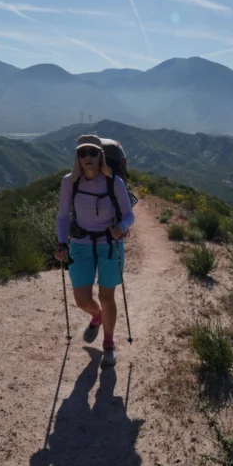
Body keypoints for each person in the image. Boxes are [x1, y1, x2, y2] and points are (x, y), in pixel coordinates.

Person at [54, 134, 135, 367]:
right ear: (77, 157)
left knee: (106, 296)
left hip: (109, 244)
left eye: (92, 152)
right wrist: (61, 243)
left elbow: (130, 215)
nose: (87, 157)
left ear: (101, 156)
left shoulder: (114, 183)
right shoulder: (69, 182)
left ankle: (109, 343)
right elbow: (62, 216)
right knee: (81, 300)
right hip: (80, 242)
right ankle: (96, 316)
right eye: (82, 153)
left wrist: (121, 228)